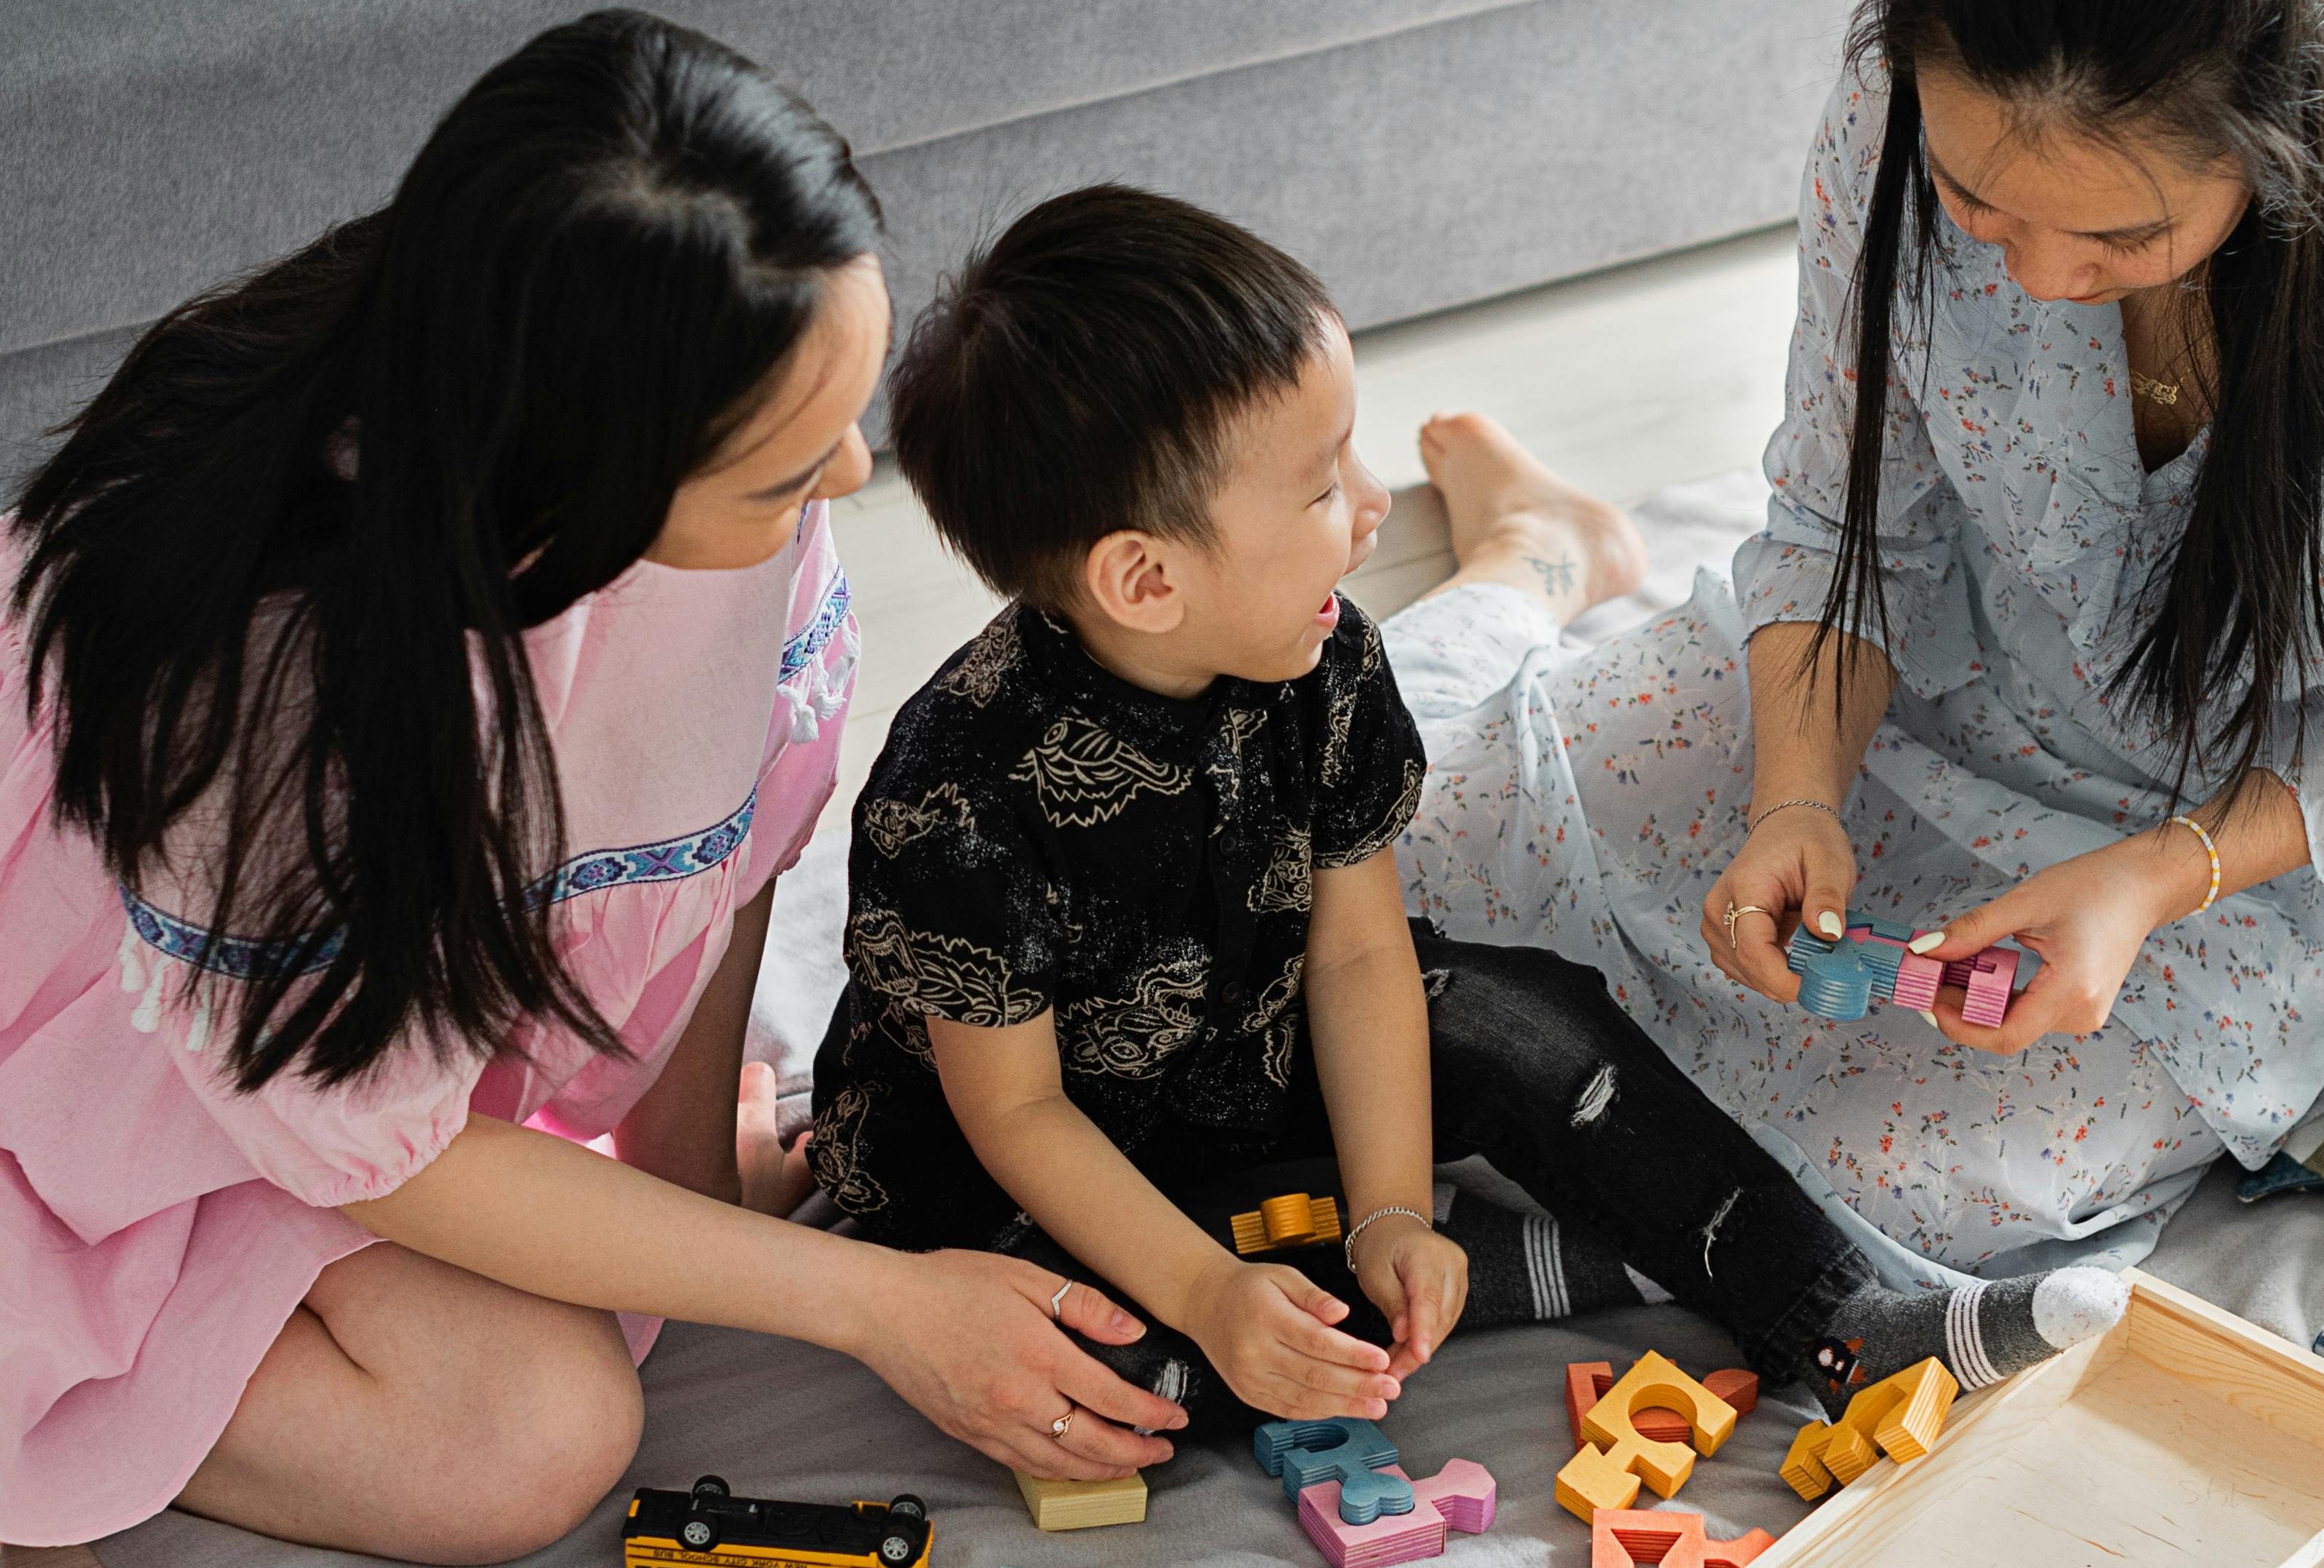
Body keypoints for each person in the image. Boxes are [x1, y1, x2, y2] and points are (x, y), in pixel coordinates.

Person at [0, 10, 1174, 1566]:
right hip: (64, 1032)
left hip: (342, 1030)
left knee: (559, 1364)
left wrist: (693, 1183)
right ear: (574, 476)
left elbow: (733, 841)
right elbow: (396, 1143)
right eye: (783, 467)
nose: (847, 476)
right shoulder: (290, 698)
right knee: (525, 1442)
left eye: (843, 403)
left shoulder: (716, 435)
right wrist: (875, 1305)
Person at [1385, 0, 2324, 1272]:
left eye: (2121, 235)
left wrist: (2145, 879)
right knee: (1392, 847)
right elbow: (1847, 515)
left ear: (2272, 130)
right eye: (1980, 205)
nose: (2040, 278)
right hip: (1935, 675)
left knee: (1886, 1189)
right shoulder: (1897, 105)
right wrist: (1796, 795)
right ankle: (1533, 561)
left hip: (2262, 831)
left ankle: (1542, 572)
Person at [804, 186, 2119, 1420]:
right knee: (1106, 1381)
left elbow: (1365, 950)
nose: (1373, 508)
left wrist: (1385, 1211)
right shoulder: (955, 801)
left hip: (1251, 1068)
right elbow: (1019, 1116)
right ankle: (1558, 1262)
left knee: (1517, 1012)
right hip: (1031, 1177)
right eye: (1323, 488)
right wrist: (1208, 1296)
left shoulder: (1322, 657)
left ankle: (1843, 1320)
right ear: (1144, 582)